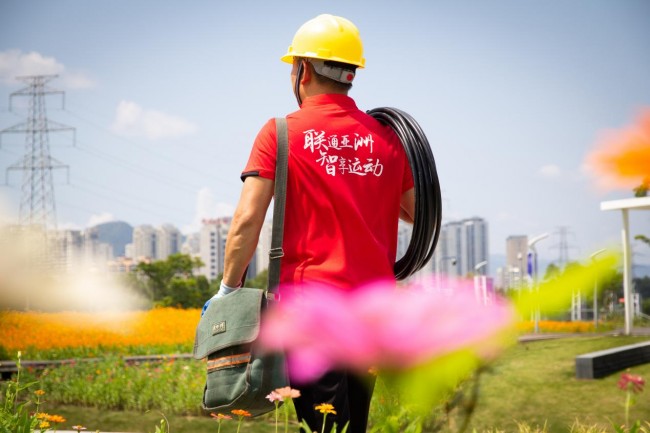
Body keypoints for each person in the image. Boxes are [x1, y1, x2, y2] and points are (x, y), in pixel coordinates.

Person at [216, 14, 415, 433]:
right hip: (373, 312)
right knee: (350, 424)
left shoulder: (280, 133)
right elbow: (419, 213)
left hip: (311, 312)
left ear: (302, 69)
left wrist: (227, 289)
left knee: (323, 426)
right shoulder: (389, 140)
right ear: (350, 73)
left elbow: (248, 218)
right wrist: (370, 182)